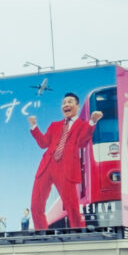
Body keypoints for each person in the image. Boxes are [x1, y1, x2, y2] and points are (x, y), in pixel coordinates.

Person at [27, 93, 102, 231]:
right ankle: (42, 233)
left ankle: (80, 233)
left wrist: (92, 122)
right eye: (64, 103)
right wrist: (34, 127)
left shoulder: (82, 125)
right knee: (35, 206)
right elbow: (44, 143)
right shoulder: (54, 125)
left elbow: (82, 142)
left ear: (77, 106)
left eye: (70, 102)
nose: (66, 105)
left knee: (71, 206)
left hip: (65, 167)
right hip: (47, 165)